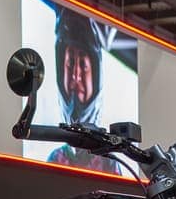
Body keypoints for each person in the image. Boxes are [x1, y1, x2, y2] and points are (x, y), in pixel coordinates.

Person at [46, 9, 123, 176]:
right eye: (70, 63)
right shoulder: (55, 159)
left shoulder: (108, 160)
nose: (75, 75)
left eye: (83, 65)